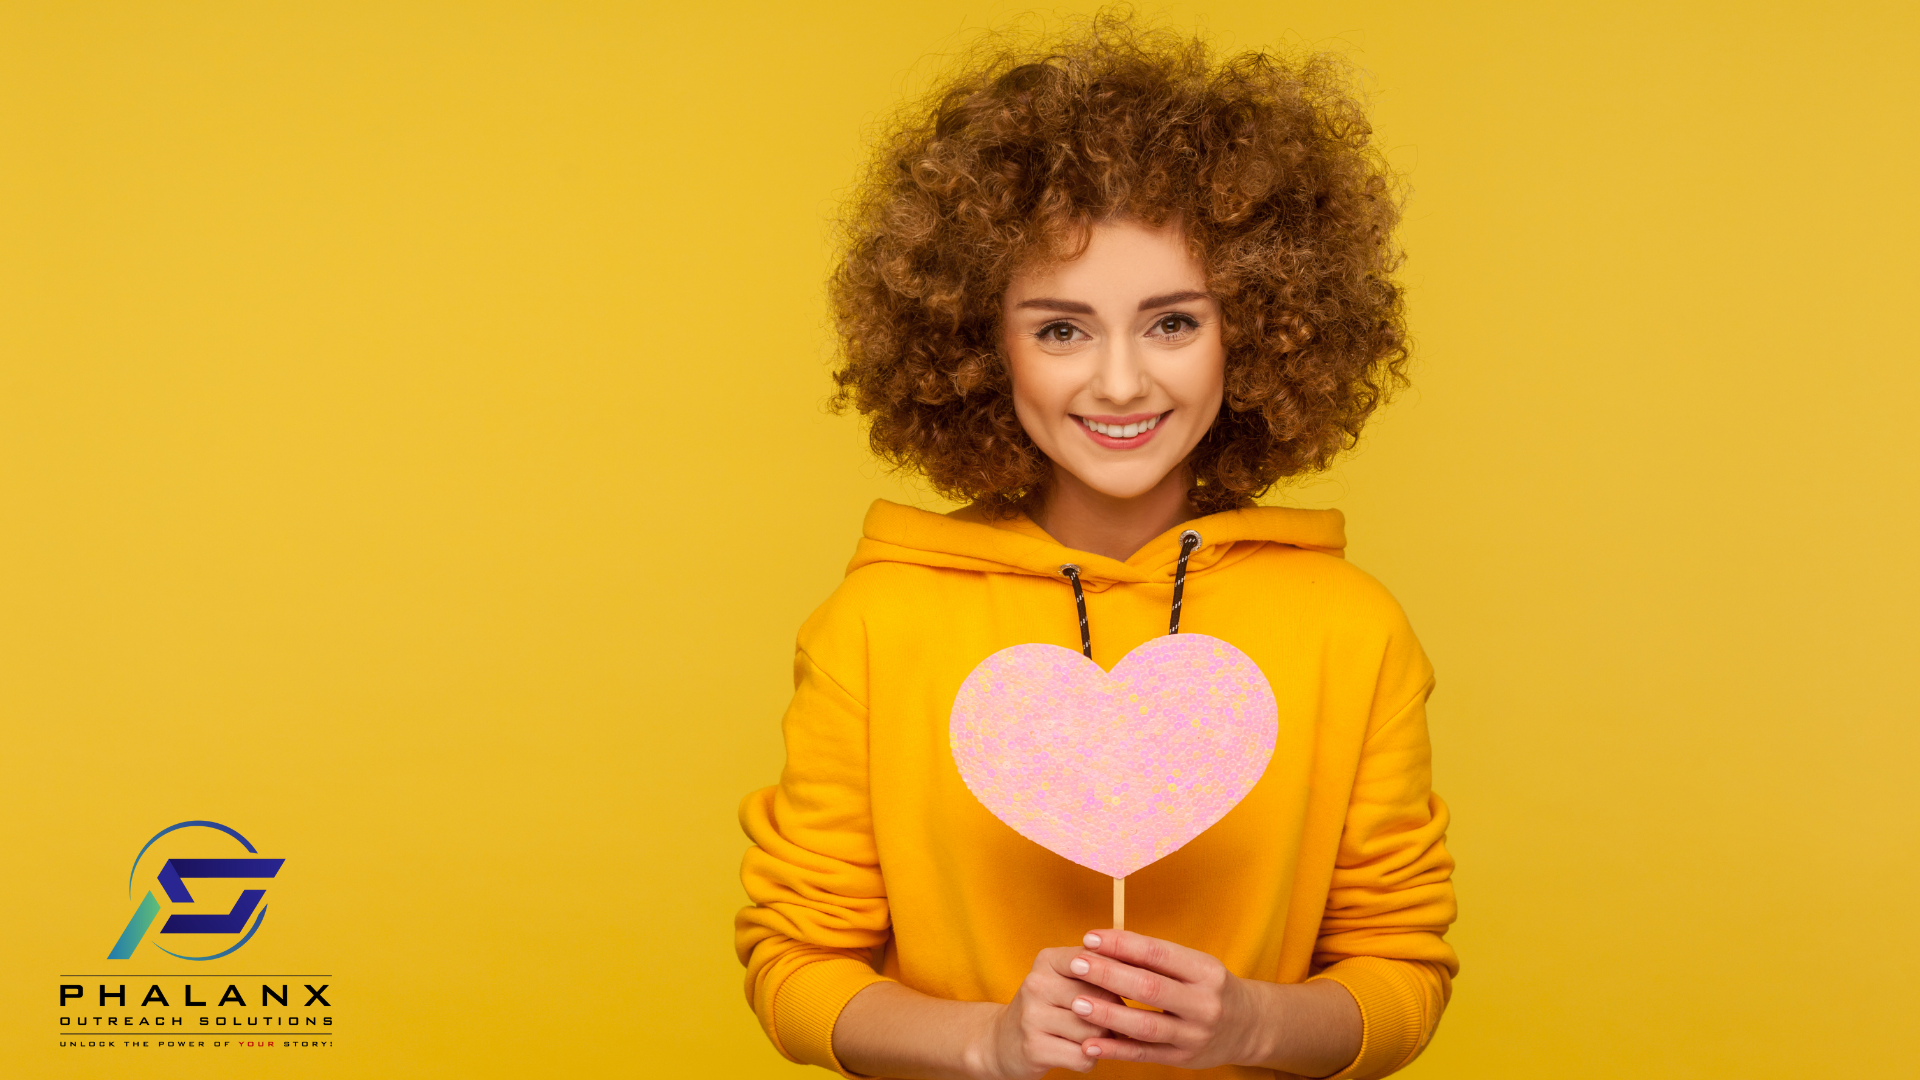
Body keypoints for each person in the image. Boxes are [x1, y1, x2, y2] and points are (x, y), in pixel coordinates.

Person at [736, 17, 1456, 1080]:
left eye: (1171, 323)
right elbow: (795, 965)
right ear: (982, 345)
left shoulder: (1351, 628)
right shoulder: (876, 628)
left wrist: (1250, 1025)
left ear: (1256, 329)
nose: (1120, 383)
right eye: (1061, 329)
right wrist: (989, 1044)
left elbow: (1402, 966)